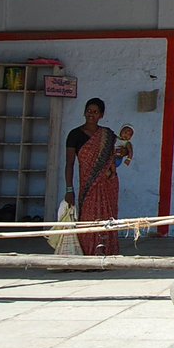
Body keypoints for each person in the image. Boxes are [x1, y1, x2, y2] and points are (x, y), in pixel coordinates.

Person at [64, 97, 119, 256]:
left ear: (101, 115)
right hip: (88, 187)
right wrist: (69, 189)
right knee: (87, 219)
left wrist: (121, 156)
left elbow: (112, 161)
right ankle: (88, 255)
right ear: (84, 112)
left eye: (95, 112)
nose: (91, 114)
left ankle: (106, 255)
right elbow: (69, 164)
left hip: (107, 185)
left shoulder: (107, 135)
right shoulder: (74, 134)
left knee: (106, 219)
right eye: (89, 111)